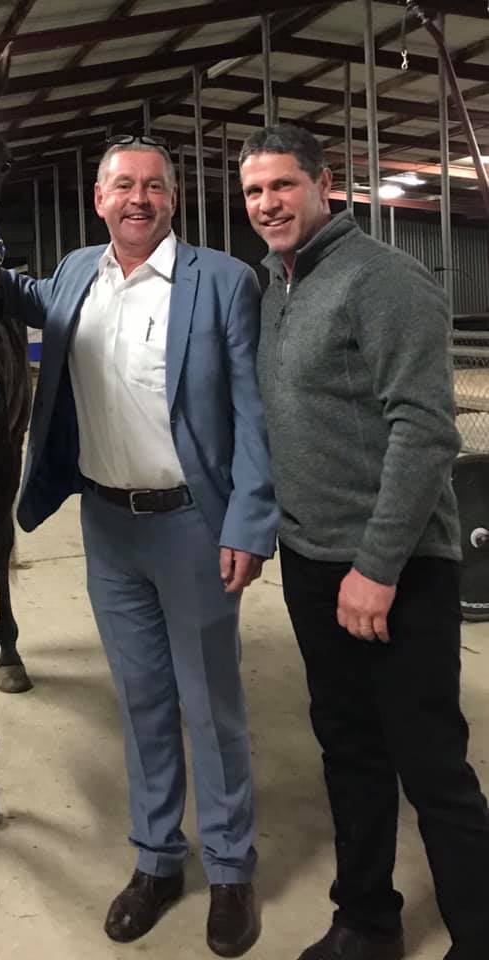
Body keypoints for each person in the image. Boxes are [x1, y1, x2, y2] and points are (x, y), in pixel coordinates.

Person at [7, 136, 275, 956]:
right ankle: (158, 860)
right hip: (107, 524)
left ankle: (231, 870)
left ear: (174, 200)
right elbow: (11, 295)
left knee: (210, 703)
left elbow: (254, 412)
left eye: (155, 186)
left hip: (193, 524)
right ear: (98, 198)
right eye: (123, 185)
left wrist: (248, 520)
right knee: (141, 700)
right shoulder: (74, 275)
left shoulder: (224, 281)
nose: (139, 199)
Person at [239, 123, 489, 960]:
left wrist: (376, 568)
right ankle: (367, 921)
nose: (267, 204)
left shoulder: (383, 279)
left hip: (398, 567)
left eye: (282, 185)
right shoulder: (278, 290)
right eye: (253, 192)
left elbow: (425, 433)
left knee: (431, 765)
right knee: (347, 749)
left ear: (324, 184)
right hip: (314, 562)